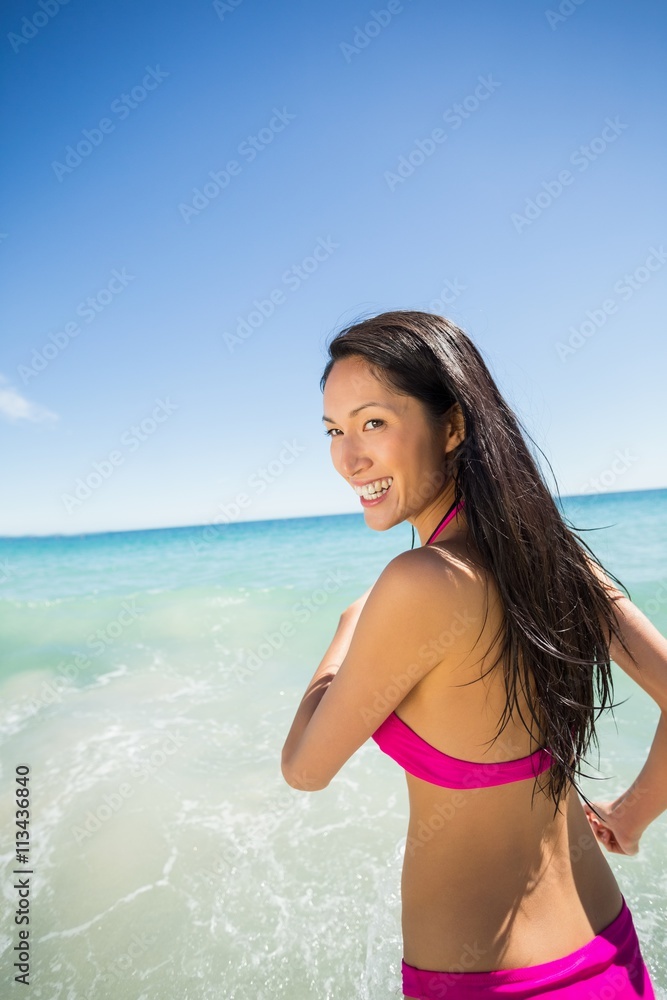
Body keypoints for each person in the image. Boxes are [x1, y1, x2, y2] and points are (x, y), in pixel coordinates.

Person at [281, 310, 663, 999]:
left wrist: (345, 629)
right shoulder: (549, 553)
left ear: (452, 425)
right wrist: (631, 815)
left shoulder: (420, 581)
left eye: (372, 423)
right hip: (608, 950)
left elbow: (304, 769)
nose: (348, 458)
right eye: (334, 431)